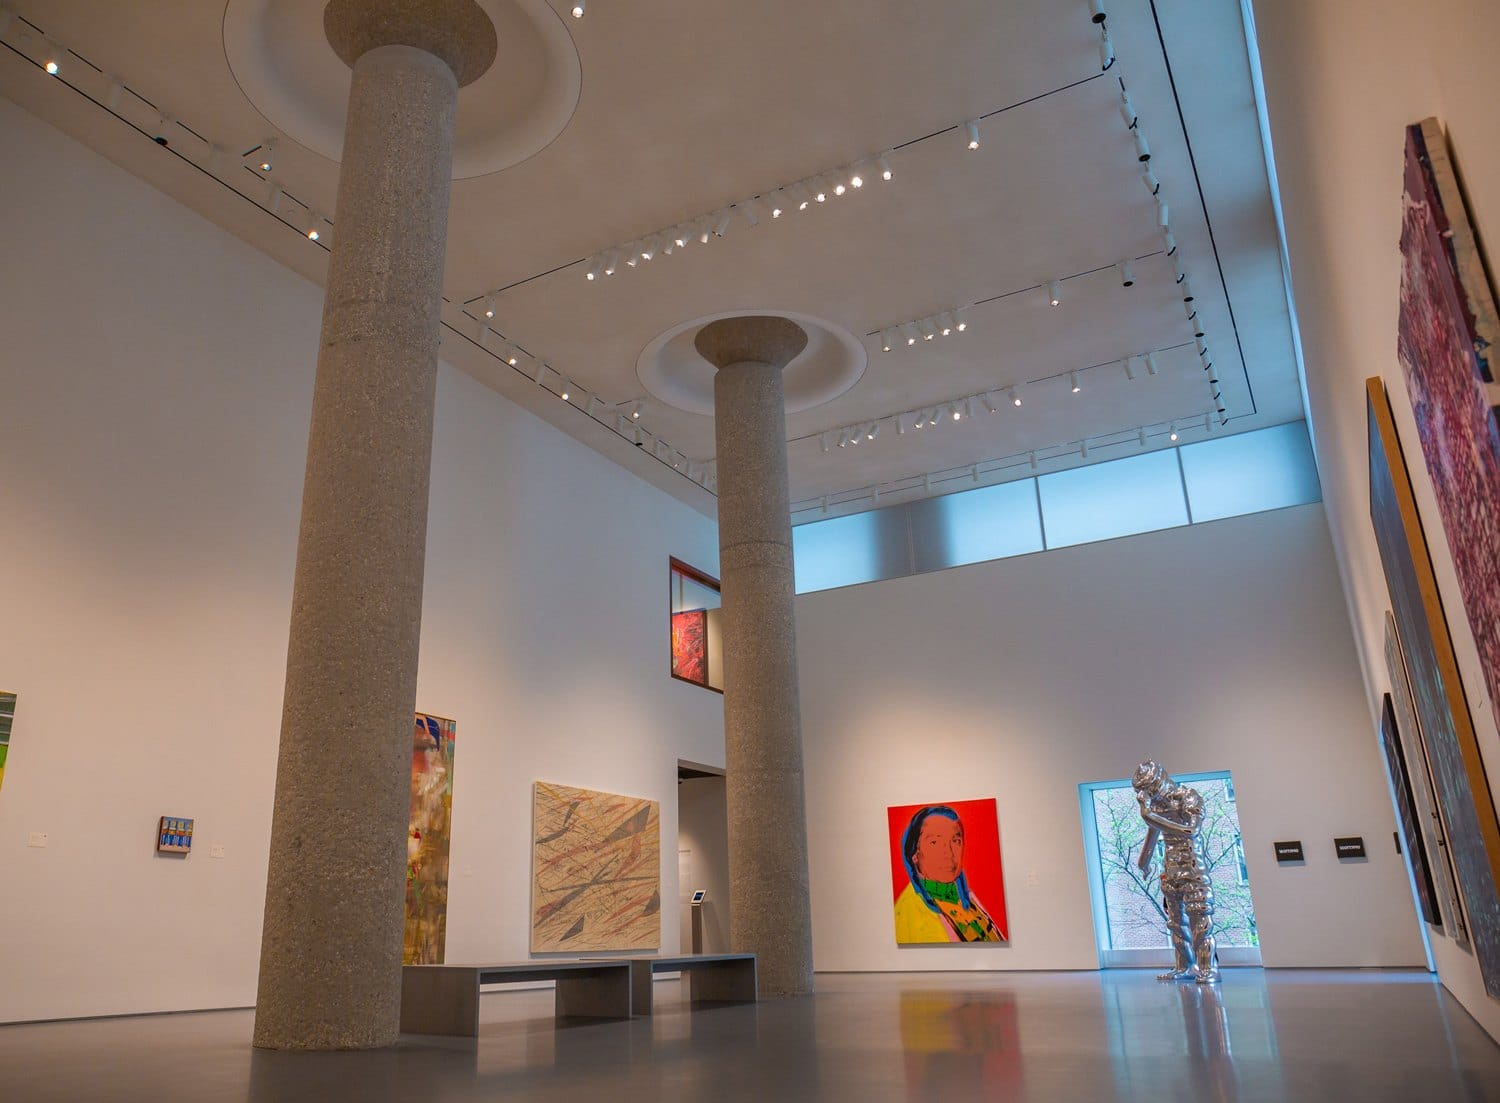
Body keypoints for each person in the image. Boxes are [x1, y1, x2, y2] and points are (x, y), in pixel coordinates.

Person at [1132, 760, 1219, 983]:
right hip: (1170, 873)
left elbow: (1191, 831)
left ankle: (1208, 968)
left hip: (1193, 871)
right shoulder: (1156, 807)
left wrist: (1149, 815)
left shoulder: (1187, 797)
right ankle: (1185, 967)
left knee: (1200, 923)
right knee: (1176, 924)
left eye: (1151, 789)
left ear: (1160, 780)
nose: (1150, 795)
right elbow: (1152, 836)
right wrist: (1144, 862)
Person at [894, 805, 1004, 943]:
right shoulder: (910, 910)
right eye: (934, 842)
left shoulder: (965, 897)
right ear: (914, 854)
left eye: (955, 841)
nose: (949, 853)